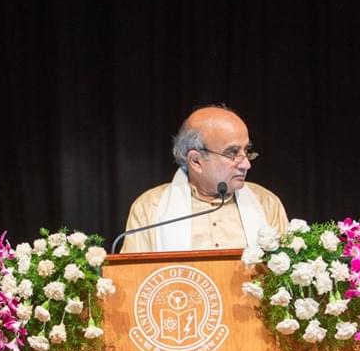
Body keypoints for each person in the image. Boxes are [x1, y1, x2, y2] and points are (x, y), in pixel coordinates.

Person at [120, 105, 289, 252]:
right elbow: (135, 281)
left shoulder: (266, 203)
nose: (246, 164)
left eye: (246, 151)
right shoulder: (150, 208)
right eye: (232, 153)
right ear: (196, 161)